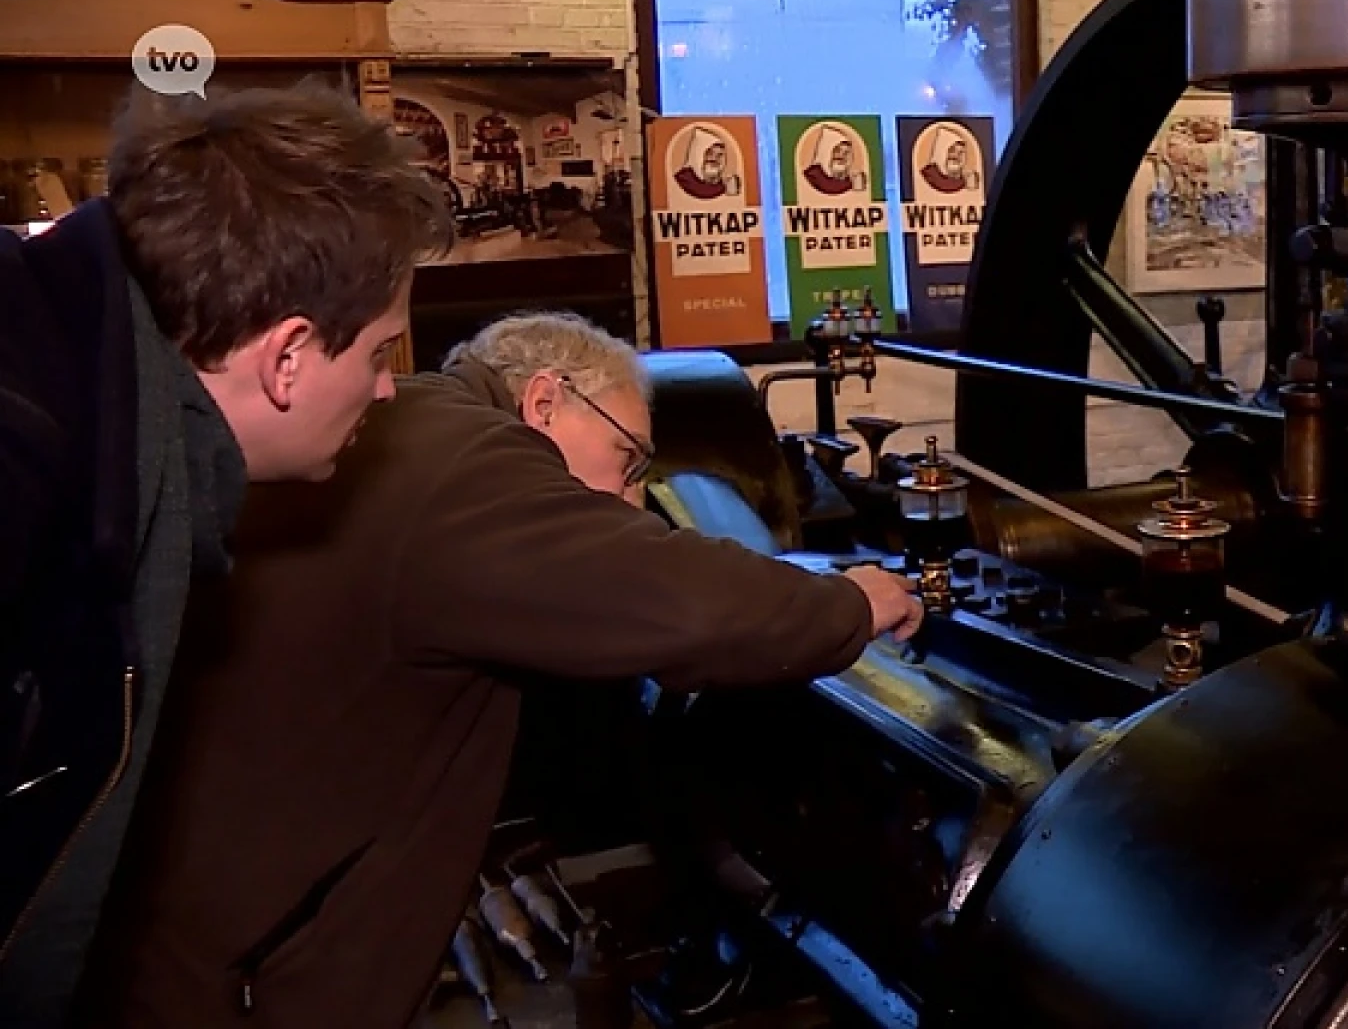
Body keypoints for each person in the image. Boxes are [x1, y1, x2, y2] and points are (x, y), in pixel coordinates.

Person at [71, 312, 923, 1028]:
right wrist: (853, 603)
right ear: (546, 400)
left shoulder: (418, 437)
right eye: (626, 459)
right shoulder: (469, 464)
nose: (629, 499)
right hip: (242, 969)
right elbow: (672, 598)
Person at [0, 83, 453, 1026]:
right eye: (376, 355)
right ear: (288, 358)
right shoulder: (26, 457)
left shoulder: (97, 410)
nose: (384, 394)